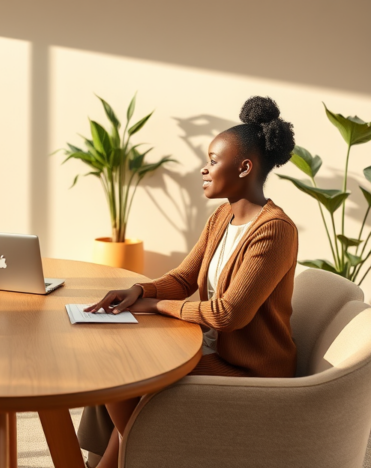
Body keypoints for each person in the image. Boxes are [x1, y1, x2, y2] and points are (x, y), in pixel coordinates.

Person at [76, 96, 299, 468]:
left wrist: (155, 306)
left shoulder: (274, 230)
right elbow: (182, 278)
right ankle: (113, 461)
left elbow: (229, 315)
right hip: (208, 347)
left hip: (248, 368)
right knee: (111, 353)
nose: (204, 169)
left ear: (244, 167)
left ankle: (128, 460)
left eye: (213, 161)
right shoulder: (221, 217)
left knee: (123, 368)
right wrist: (139, 292)